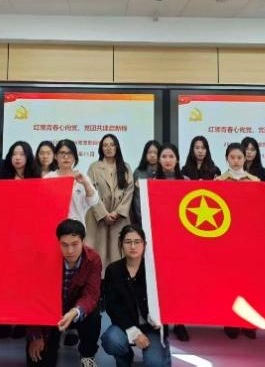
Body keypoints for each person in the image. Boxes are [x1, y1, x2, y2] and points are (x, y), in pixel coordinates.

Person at [26, 219, 102, 367]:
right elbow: (32, 298)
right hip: (50, 311)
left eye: (75, 244)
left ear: (83, 241)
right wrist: (35, 336)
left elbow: (91, 294)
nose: (70, 251)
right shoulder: (43, 258)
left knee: (93, 315)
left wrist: (75, 311)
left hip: (76, 309)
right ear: (58, 242)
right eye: (64, 245)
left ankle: (87, 356)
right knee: (39, 360)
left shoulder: (93, 259)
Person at [101, 224, 171, 367]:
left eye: (137, 242)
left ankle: (163, 350)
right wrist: (133, 332)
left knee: (155, 363)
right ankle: (124, 358)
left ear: (144, 244)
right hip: (125, 325)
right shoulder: (113, 270)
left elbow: (167, 299)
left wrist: (160, 319)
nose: (133, 246)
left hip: (152, 327)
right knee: (112, 341)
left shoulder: (154, 268)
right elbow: (113, 306)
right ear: (121, 244)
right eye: (128, 242)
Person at [0, 141, 39, 340]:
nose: (18, 157)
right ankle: (3, 320)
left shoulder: (36, 179)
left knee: (24, 281)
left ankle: (22, 321)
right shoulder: (2, 179)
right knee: (4, 281)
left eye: (22, 154)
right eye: (14, 154)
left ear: (28, 157)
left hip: (28, 238)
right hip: (5, 236)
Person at [217, 143, 258, 340]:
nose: (236, 161)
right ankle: (230, 320)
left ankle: (248, 322)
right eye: (232, 157)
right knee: (228, 281)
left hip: (249, 237)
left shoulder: (255, 181)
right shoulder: (218, 181)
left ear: (245, 158)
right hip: (226, 238)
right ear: (226, 158)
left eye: (239, 157)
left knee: (249, 281)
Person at [154, 143, 190, 342]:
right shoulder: (152, 183)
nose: (167, 160)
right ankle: (164, 321)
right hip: (159, 240)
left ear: (177, 159)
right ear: (159, 160)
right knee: (162, 283)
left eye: (171, 156)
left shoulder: (186, 181)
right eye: (164, 156)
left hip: (181, 241)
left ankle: (180, 322)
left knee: (181, 283)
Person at [86, 134, 134, 271]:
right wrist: (103, 214)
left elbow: (129, 192)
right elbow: (90, 191)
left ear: (117, 147)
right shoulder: (94, 167)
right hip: (98, 218)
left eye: (112, 145)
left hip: (119, 218)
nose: (109, 148)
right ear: (101, 148)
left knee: (117, 254)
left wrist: (118, 212)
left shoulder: (125, 167)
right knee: (99, 254)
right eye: (105, 145)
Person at [43, 139, 99, 226]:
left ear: (75, 157)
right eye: (62, 153)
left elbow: (93, 201)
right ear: (55, 156)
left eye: (70, 153)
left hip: (76, 228)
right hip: (54, 227)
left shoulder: (82, 177)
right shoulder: (48, 178)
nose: (66, 157)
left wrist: (85, 183)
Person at [130, 140, 160, 226]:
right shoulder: (138, 172)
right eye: (149, 152)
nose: (152, 155)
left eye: (155, 152)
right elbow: (135, 199)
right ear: (145, 154)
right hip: (141, 218)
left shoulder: (164, 172)